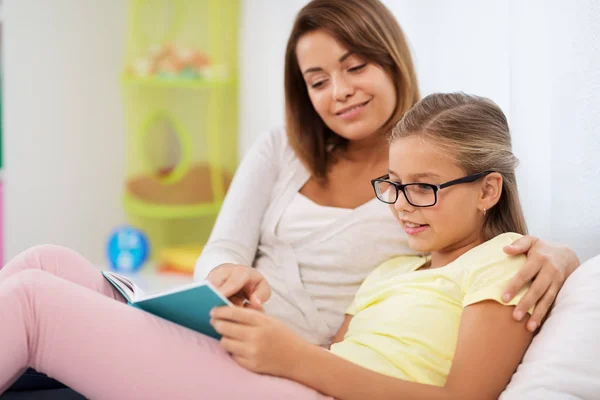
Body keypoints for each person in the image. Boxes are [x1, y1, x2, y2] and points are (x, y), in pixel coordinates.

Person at [4, 0, 580, 396]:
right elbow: (228, 252)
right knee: (46, 262)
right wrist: (229, 280)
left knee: (33, 299)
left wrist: (561, 255)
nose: (341, 91)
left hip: (286, 367)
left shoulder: (462, 218)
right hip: (242, 338)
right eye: (318, 79)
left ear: (390, 59)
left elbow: (491, 229)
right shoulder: (297, 164)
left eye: (355, 66)